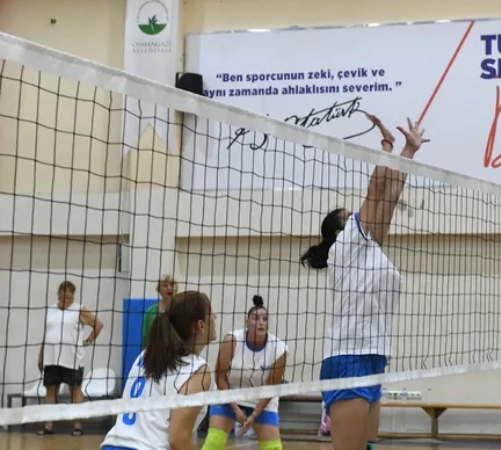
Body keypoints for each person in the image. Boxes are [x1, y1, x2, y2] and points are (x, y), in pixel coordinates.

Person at [300, 114, 429, 450]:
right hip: (348, 356)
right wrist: (386, 147)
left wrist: (408, 151)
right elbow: (377, 189)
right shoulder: (344, 246)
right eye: (349, 216)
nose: (357, 215)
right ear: (338, 232)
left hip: (374, 355)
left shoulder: (369, 246)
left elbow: (390, 195)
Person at [101, 290, 217, 450]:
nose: (215, 317)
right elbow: (178, 439)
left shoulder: (146, 355)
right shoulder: (198, 371)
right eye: (211, 313)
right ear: (201, 325)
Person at [203, 295, 288, 450]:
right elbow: (220, 378)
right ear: (247, 321)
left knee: (273, 448)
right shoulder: (232, 341)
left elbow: (272, 388)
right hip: (229, 394)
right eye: (256, 318)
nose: (261, 322)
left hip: (261, 398)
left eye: (264, 319)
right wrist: (236, 409)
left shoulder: (278, 348)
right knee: (214, 441)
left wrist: (254, 415)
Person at [37, 280, 104, 436]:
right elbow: (46, 334)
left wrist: (88, 340)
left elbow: (98, 325)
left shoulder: (79, 309)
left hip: (72, 358)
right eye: (64, 293)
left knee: (74, 389)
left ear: (73, 295)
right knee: (51, 389)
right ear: (59, 293)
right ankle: (49, 425)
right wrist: (41, 355)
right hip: (51, 357)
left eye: (70, 294)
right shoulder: (51, 309)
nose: (66, 296)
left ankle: (77, 425)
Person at [142, 275, 176, 348]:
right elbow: (146, 340)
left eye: (172, 284)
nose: (169, 288)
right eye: (165, 285)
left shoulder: (182, 310)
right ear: (159, 290)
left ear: (176, 288)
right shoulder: (151, 312)